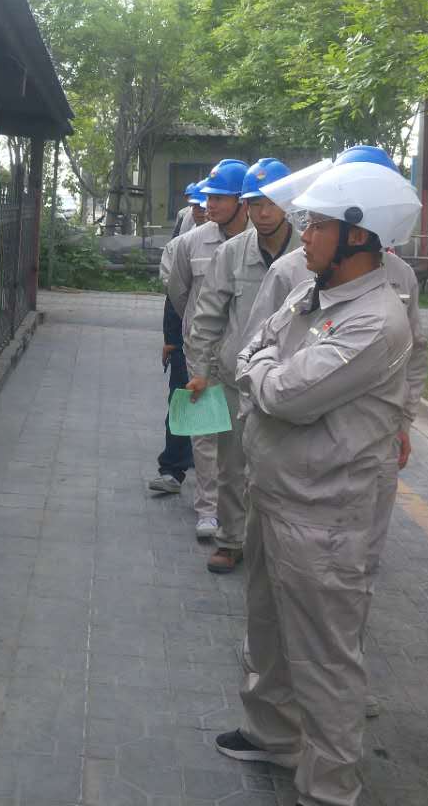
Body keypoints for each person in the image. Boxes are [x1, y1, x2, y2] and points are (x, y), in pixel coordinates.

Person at [213, 159, 420, 806]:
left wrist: (266, 372)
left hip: (324, 511)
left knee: (325, 656)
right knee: (267, 627)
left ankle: (330, 785)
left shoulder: (375, 320)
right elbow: (252, 350)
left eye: (318, 225)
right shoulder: (313, 293)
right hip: (277, 490)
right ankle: (273, 733)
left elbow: (285, 394)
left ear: (358, 236)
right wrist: (266, 370)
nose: (304, 234)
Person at [184, 158, 300, 574]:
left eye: (270, 203)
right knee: (231, 465)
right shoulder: (231, 254)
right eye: (254, 204)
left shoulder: (309, 253)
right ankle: (231, 539)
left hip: (291, 383)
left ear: (287, 203)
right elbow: (207, 317)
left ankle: (275, 545)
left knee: (283, 468)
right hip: (236, 380)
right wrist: (200, 370)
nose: (262, 212)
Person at [167, 158, 250, 537]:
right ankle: (208, 509)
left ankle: (239, 508)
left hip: (246, 356)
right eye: (209, 197)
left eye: (219, 198)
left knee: (243, 435)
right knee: (205, 432)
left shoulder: (258, 244)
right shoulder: (190, 243)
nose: (209, 204)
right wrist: (197, 334)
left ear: (241, 201)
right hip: (203, 352)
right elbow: (178, 292)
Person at [150, 184, 206, 495]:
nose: (202, 210)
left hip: (231, 345)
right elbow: (175, 294)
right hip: (190, 339)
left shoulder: (244, 243)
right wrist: (172, 339)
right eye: (197, 205)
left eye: (207, 204)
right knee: (183, 399)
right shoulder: (185, 242)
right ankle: (173, 468)